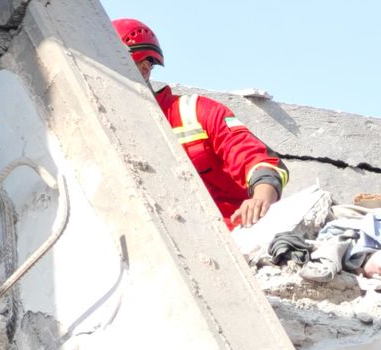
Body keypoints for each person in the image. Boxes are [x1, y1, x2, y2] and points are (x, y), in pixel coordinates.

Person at [113, 18, 287, 228]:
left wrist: (260, 199)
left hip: (235, 237)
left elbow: (255, 159)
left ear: (144, 69)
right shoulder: (108, 129)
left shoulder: (194, 113)